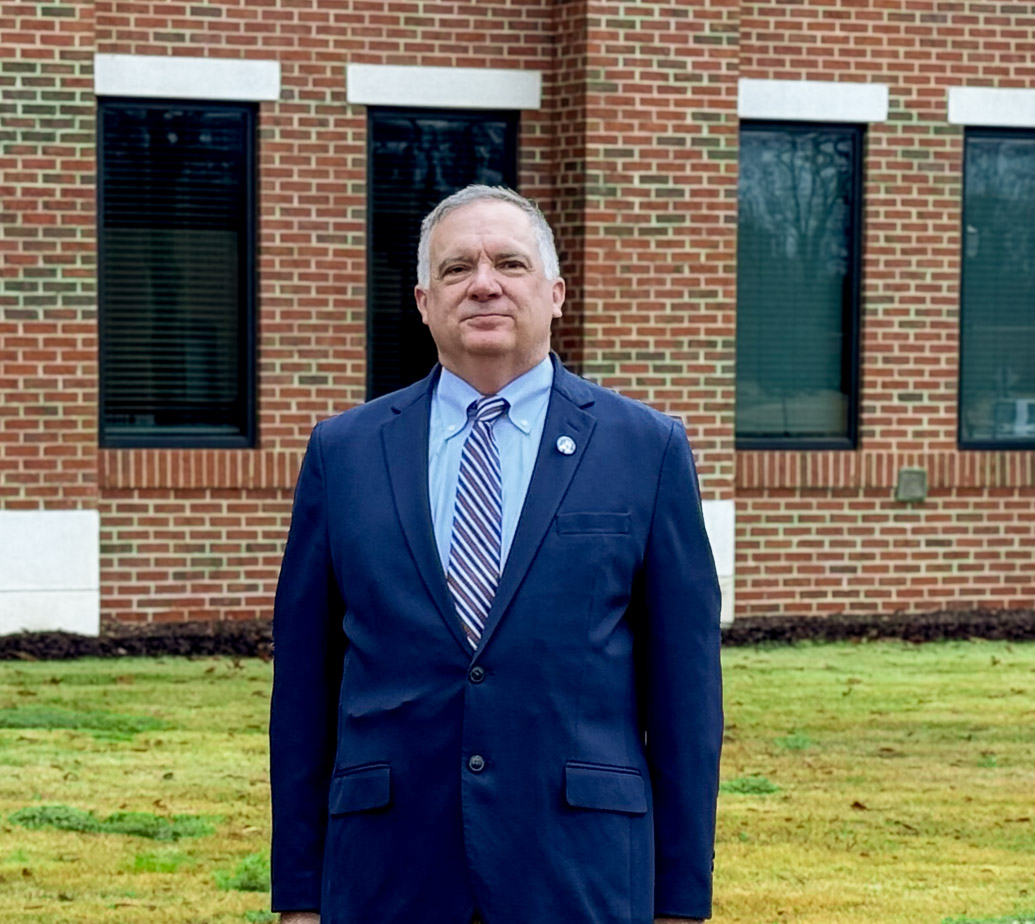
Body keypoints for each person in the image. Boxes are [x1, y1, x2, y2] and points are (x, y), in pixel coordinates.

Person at [268, 185, 724, 924]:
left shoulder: (647, 450)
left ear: (555, 293)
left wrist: (679, 900)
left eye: (509, 263)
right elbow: (303, 694)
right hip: (387, 873)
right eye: (456, 269)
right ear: (422, 301)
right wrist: (296, 893)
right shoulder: (343, 454)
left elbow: (686, 700)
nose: (483, 283)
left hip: (581, 871)